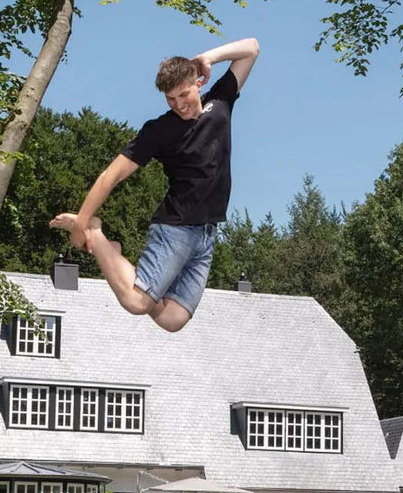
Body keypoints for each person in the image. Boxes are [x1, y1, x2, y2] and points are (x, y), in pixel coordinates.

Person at [50, 37, 259, 332]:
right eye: (170, 99)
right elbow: (111, 176)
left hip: (207, 234)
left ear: (198, 83)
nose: (179, 105)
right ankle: (97, 235)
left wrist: (208, 57)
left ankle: (111, 251)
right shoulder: (160, 130)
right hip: (175, 229)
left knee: (172, 319)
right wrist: (81, 223)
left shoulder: (221, 102)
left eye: (183, 95)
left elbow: (252, 48)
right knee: (137, 302)